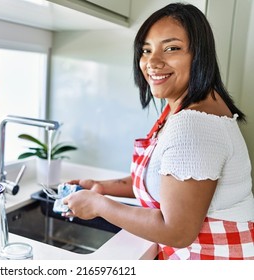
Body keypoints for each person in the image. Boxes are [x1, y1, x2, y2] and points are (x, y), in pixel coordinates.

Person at [62, 2, 254, 260]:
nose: (152, 62)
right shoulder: (184, 109)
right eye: (146, 50)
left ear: (200, 55)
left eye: (171, 48)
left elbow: (177, 231)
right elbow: (165, 181)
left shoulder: (194, 125)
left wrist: (99, 205)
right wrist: (101, 186)